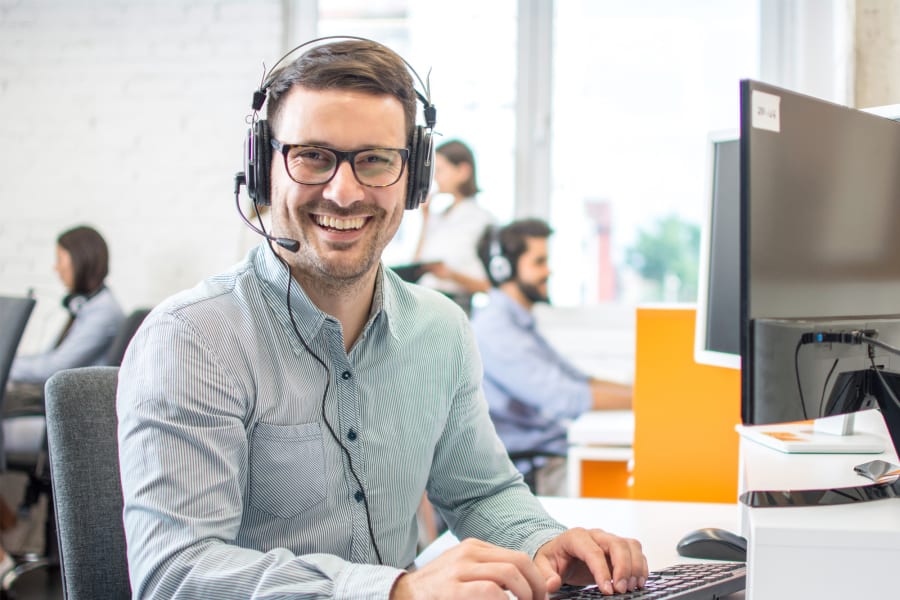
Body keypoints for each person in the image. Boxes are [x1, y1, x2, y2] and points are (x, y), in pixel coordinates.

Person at [116, 38, 647, 599]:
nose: (344, 193)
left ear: (413, 178)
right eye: (312, 156)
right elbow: (175, 575)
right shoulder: (194, 340)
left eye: (375, 160)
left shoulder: (440, 330)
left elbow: (479, 493)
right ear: (262, 166)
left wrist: (544, 542)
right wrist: (396, 593)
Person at [472, 219, 633, 496]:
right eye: (539, 262)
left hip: (550, 455)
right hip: (531, 469)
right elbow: (565, 397)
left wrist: (642, 394)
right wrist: (649, 402)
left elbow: (578, 379)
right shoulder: (494, 330)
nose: (549, 271)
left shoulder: (517, 322)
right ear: (504, 269)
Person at [6, 225, 124, 405]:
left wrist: (6, 364)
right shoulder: (85, 306)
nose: (56, 268)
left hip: (77, 404)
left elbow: (55, 367)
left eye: (60, 259)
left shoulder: (103, 312)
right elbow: (49, 358)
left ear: (80, 260)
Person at [413, 139, 494, 313]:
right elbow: (417, 264)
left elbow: (491, 286)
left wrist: (450, 274)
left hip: (455, 306)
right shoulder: (440, 217)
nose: (435, 177)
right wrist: (425, 219)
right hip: (425, 303)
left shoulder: (481, 221)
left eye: (440, 170)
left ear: (463, 171)